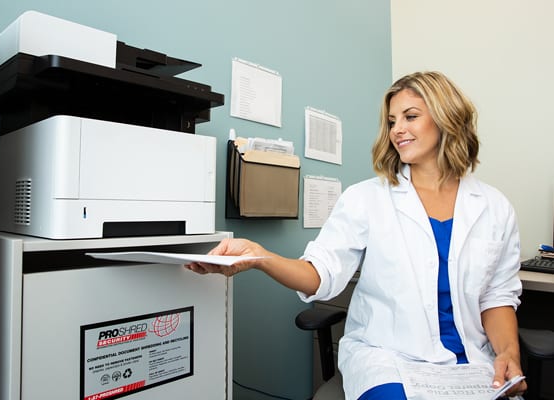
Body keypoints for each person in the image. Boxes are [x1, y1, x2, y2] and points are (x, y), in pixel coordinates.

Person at [186, 71, 527, 399]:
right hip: (388, 358)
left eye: (410, 116)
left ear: (445, 118)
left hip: (469, 362)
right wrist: (259, 256)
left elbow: (496, 297)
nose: (398, 130)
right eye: (392, 121)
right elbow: (321, 273)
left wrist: (508, 353)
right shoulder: (367, 198)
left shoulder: (494, 207)